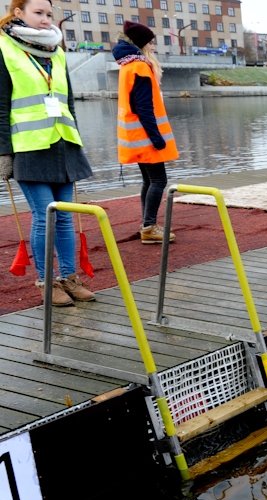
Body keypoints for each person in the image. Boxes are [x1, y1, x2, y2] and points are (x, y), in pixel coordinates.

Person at [0, 0, 94, 307]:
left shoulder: (57, 50)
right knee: (45, 216)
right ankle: (46, 281)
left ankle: (69, 277)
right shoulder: (4, 48)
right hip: (29, 147)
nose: (45, 20)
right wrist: (4, 154)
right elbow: (1, 107)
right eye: (38, 13)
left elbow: (69, 101)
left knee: (65, 217)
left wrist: (77, 140)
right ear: (18, 13)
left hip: (63, 144)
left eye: (49, 14)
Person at [115, 21, 178, 244]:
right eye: (150, 42)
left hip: (136, 136)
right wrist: (156, 138)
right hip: (146, 136)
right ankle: (149, 227)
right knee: (159, 180)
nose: (153, 46)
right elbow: (144, 107)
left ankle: (146, 224)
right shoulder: (140, 67)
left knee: (148, 180)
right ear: (142, 44)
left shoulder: (127, 65)